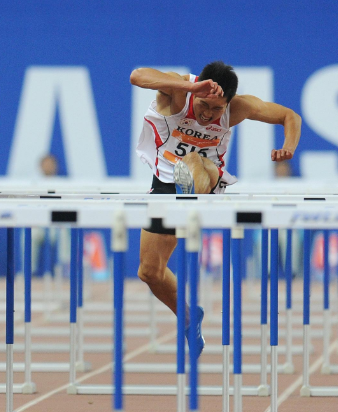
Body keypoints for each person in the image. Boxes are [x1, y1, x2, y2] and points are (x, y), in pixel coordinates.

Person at [131, 61, 301, 354]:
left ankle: (192, 201)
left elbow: (289, 115)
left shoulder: (239, 107)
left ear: (228, 104)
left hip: (208, 176)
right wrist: (190, 87)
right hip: (165, 182)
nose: (208, 115)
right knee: (149, 272)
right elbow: (137, 76)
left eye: (217, 110)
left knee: (196, 160)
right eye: (203, 105)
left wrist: (289, 146)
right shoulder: (178, 91)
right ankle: (187, 315)